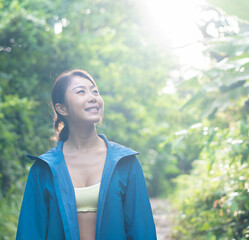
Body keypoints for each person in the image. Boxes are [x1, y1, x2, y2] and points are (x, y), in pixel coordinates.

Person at [16, 69, 156, 240]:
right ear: (62, 108)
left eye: (95, 91)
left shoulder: (125, 162)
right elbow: (30, 232)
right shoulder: (43, 169)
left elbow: (142, 230)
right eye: (81, 92)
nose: (93, 97)